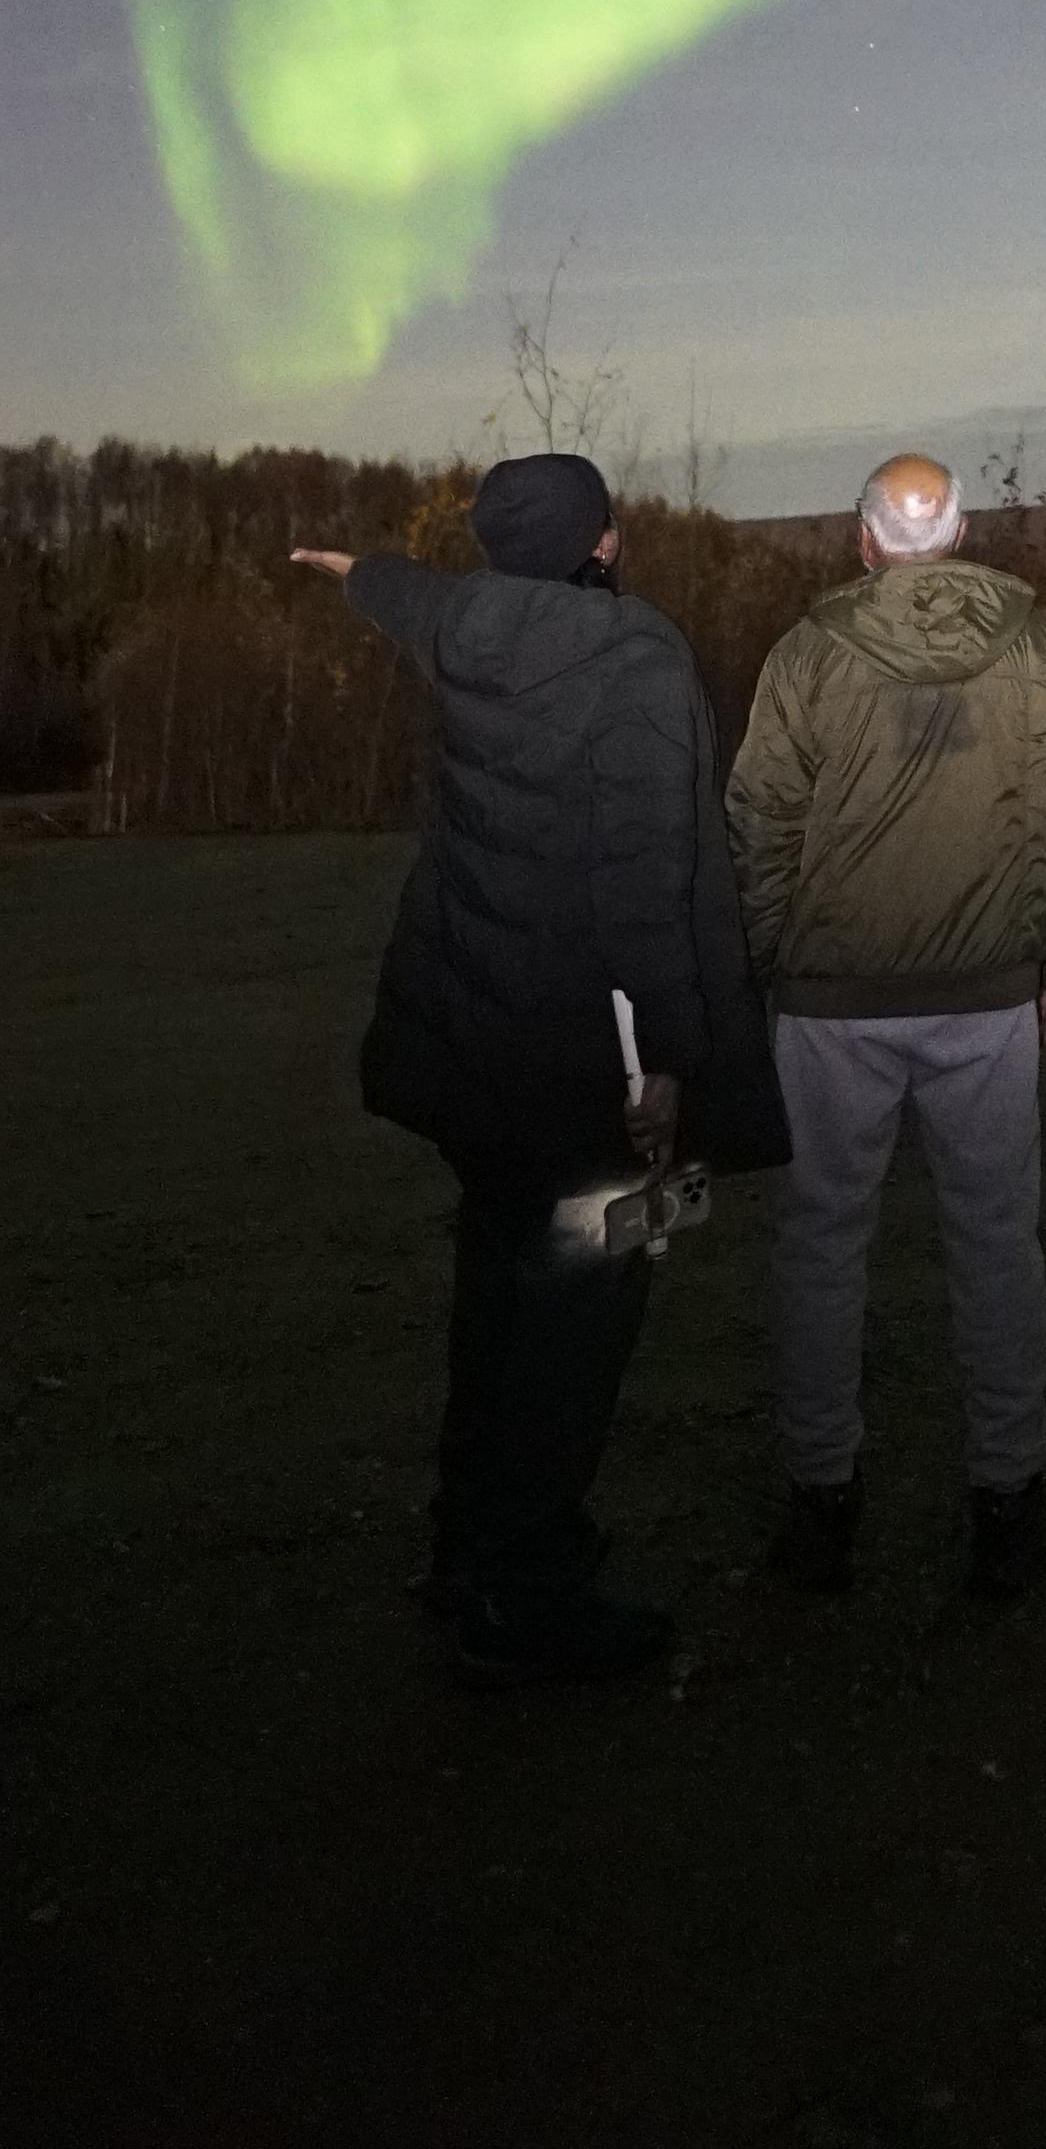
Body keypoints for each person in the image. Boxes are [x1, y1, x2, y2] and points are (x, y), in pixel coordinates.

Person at [292, 453, 790, 1685]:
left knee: (498, 1301)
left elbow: (406, 596)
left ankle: (469, 1551)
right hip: (585, 1073)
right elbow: (646, 885)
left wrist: (357, 572)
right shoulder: (638, 661)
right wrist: (667, 1064)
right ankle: (524, 1593)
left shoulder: (465, 627)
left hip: (481, 1061)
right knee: (578, 1323)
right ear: (602, 544)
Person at [725, 453, 1046, 1607]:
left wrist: (770, 963)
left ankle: (821, 1499)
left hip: (833, 1002)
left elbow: (758, 824)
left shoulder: (807, 654)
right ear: (958, 535)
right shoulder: (1035, 646)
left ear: (864, 540)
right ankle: (1008, 1498)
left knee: (820, 1244)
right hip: (986, 996)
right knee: (996, 1242)